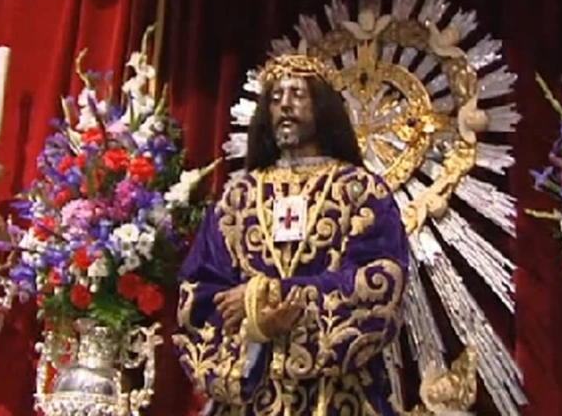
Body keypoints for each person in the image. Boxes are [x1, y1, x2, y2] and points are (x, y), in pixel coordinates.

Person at [173, 53, 410, 416]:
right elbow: (200, 293)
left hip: (339, 397)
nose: (285, 104)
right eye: (275, 97)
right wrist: (257, 328)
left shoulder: (361, 192)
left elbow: (379, 283)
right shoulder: (238, 198)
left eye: (297, 94)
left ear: (322, 107)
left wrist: (271, 296)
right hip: (251, 397)